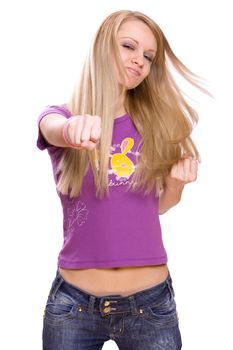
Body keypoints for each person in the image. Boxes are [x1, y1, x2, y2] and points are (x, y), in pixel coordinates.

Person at [37, 9, 204, 350]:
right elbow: (51, 128)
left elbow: (154, 208)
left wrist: (176, 184)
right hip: (73, 307)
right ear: (102, 46)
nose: (139, 61)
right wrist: (71, 131)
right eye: (129, 46)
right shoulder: (61, 117)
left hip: (150, 306)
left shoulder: (155, 126)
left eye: (148, 56)